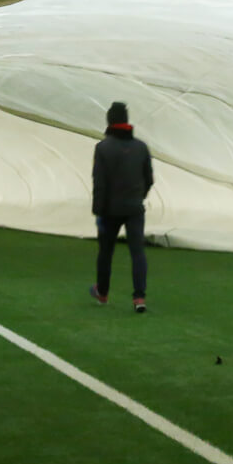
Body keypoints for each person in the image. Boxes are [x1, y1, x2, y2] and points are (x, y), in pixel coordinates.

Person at [89, 101, 153, 313]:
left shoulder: (103, 148)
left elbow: (99, 183)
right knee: (137, 252)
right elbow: (149, 179)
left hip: (110, 210)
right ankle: (139, 297)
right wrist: (138, 197)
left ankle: (103, 293)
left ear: (109, 121)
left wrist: (98, 211)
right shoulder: (141, 148)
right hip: (134, 208)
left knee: (106, 252)